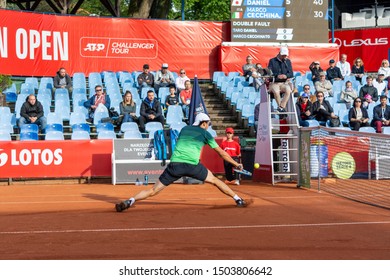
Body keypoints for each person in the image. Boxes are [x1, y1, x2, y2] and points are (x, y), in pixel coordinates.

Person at [115, 113, 247, 212]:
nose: (208, 126)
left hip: (175, 166)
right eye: (208, 123)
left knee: (153, 190)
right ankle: (238, 199)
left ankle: (130, 201)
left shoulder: (184, 129)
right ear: (204, 123)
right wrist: (236, 164)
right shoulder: (206, 134)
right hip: (192, 166)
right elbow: (222, 153)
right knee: (215, 180)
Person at [268, 46, 294, 114]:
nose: (284, 57)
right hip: (274, 82)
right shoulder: (272, 61)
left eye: (285, 55)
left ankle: (281, 107)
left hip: (284, 83)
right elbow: (269, 72)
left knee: (288, 90)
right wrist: (277, 75)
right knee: (276, 91)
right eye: (283, 55)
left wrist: (286, 76)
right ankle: (281, 109)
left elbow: (291, 73)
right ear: (279, 53)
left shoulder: (288, 61)